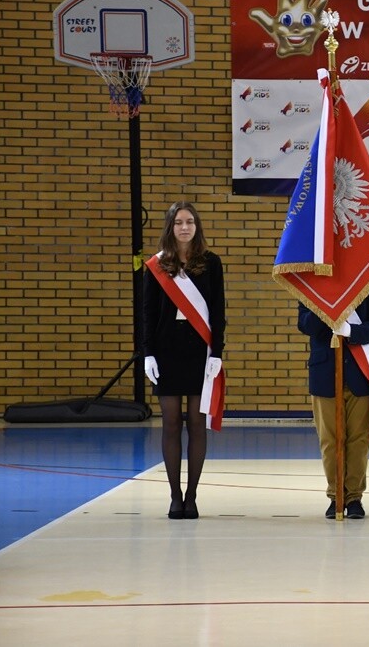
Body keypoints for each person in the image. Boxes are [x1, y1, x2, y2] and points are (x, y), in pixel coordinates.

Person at [143, 201, 226, 520]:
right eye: (178, 222)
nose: (184, 227)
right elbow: (148, 313)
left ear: (197, 226)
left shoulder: (211, 263)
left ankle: (192, 496)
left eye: (190, 221)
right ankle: (174, 496)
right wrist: (148, 351)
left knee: (196, 423)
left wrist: (217, 351)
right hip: (166, 350)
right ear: (170, 227)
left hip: (199, 350)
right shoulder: (156, 265)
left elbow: (218, 310)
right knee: (171, 422)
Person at [298, 288, 369, 519]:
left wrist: (351, 331)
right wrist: (328, 309)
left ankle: (354, 497)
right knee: (329, 439)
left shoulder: (367, 282)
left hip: (360, 372)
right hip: (325, 373)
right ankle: (335, 495)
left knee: (358, 439)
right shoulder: (311, 285)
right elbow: (305, 324)